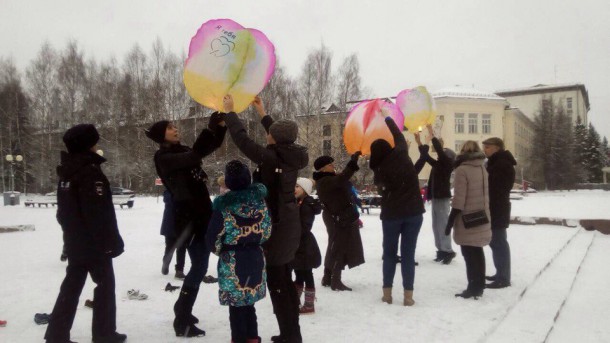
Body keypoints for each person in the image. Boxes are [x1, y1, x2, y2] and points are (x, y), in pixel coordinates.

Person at [222, 95, 308, 343]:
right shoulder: (291, 154)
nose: (267, 135)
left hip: (277, 228)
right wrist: (262, 111)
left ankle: (290, 337)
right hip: (290, 223)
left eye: (270, 132)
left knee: (278, 284)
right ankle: (291, 334)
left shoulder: (271, 158)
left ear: (275, 139)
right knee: (285, 280)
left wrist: (230, 112)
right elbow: (278, 134)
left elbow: (242, 140)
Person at [146, 113, 226, 337]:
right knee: (199, 267)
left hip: (201, 215)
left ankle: (182, 309)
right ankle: (182, 319)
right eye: (170, 127)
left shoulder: (180, 151)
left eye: (174, 126)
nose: (175, 129)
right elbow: (196, 155)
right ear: (161, 135)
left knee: (199, 267)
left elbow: (209, 148)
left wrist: (218, 127)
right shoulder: (163, 157)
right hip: (188, 219)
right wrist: (208, 128)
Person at [45, 124, 126, 343]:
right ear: (88, 144)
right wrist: (111, 242)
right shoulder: (89, 172)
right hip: (94, 244)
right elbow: (98, 213)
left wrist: (71, 236)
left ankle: (56, 334)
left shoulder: (67, 172)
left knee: (71, 288)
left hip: (75, 242)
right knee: (105, 285)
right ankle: (104, 333)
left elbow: (63, 213)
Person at [206, 160, 272, 343]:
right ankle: (252, 338)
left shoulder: (224, 207)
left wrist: (221, 250)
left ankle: (240, 339)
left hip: (233, 259)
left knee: (236, 307)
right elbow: (267, 229)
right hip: (255, 257)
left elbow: (212, 238)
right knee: (249, 302)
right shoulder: (261, 202)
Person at [369, 116, 425, 306]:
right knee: (408, 254)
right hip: (414, 213)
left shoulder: (379, 169)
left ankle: (387, 294)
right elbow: (398, 134)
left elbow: (381, 190)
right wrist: (386, 117)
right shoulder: (402, 153)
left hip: (392, 215)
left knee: (390, 254)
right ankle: (408, 297)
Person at [445, 141, 491, 299]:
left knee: (469, 253)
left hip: (468, 218)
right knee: (477, 252)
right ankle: (479, 285)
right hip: (482, 216)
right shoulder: (482, 168)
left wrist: (450, 221)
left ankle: (473, 287)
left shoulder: (462, 170)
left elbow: (459, 199)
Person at [313, 153, 365, 292]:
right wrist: (353, 162)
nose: (333, 166)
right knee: (339, 247)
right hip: (337, 217)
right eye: (330, 164)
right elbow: (343, 178)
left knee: (334, 245)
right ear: (323, 169)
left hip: (338, 216)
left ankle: (327, 277)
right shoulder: (325, 181)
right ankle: (335, 280)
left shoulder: (328, 179)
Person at [414, 124, 457, 264]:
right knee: (436, 225)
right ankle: (440, 250)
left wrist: (432, 135)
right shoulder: (439, 164)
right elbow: (425, 157)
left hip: (443, 198)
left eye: (443, 153)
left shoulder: (447, 164)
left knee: (443, 224)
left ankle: (448, 251)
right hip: (436, 197)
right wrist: (420, 142)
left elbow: (439, 150)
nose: (440, 154)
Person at [482, 137, 516, 289]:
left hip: (497, 208)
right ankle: (500, 273)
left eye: (488, 147)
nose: (485, 150)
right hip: (495, 207)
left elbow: (497, 188)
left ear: (497, 148)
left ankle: (503, 277)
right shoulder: (495, 162)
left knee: (499, 242)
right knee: (495, 242)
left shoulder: (501, 164)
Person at [292, 177, 322, 314]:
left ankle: (309, 304)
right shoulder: (299, 202)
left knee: (306, 274)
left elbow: (305, 227)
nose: (294, 189)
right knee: (298, 272)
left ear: (305, 190)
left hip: (305, 246)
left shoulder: (306, 205)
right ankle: (294, 300)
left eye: (298, 187)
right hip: (298, 244)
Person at [160, 189, 187, 279]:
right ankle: (166, 264)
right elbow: (169, 201)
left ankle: (179, 270)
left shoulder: (185, 190)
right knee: (170, 248)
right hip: (170, 225)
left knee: (181, 248)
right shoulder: (168, 191)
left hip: (182, 224)